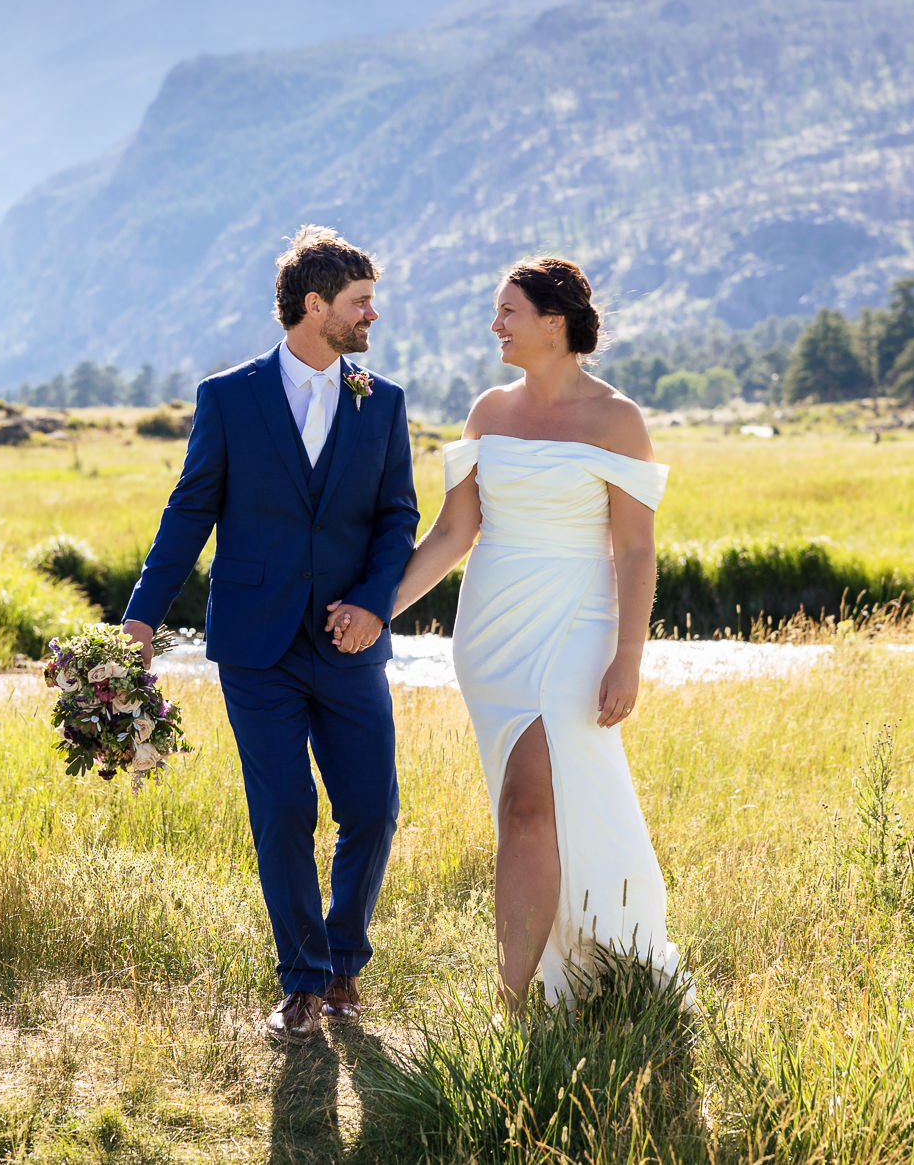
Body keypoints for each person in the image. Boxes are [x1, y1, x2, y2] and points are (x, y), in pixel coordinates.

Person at [121, 225, 419, 1040]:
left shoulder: (382, 400)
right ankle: (303, 981)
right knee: (283, 807)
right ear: (314, 305)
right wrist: (142, 618)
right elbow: (189, 511)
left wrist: (373, 604)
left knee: (372, 808)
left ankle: (345, 959)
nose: (373, 315)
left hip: (351, 644)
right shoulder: (229, 396)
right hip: (257, 645)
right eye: (361, 302)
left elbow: (398, 518)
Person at [385, 255, 682, 1010]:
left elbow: (636, 549)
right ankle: (545, 983)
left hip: (578, 629)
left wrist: (628, 658)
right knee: (525, 808)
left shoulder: (618, 420)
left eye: (508, 311)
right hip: (491, 633)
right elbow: (454, 532)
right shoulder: (489, 411)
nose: (496, 325)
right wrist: (374, 609)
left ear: (555, 322)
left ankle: (516, 1000)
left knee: (528, 802)